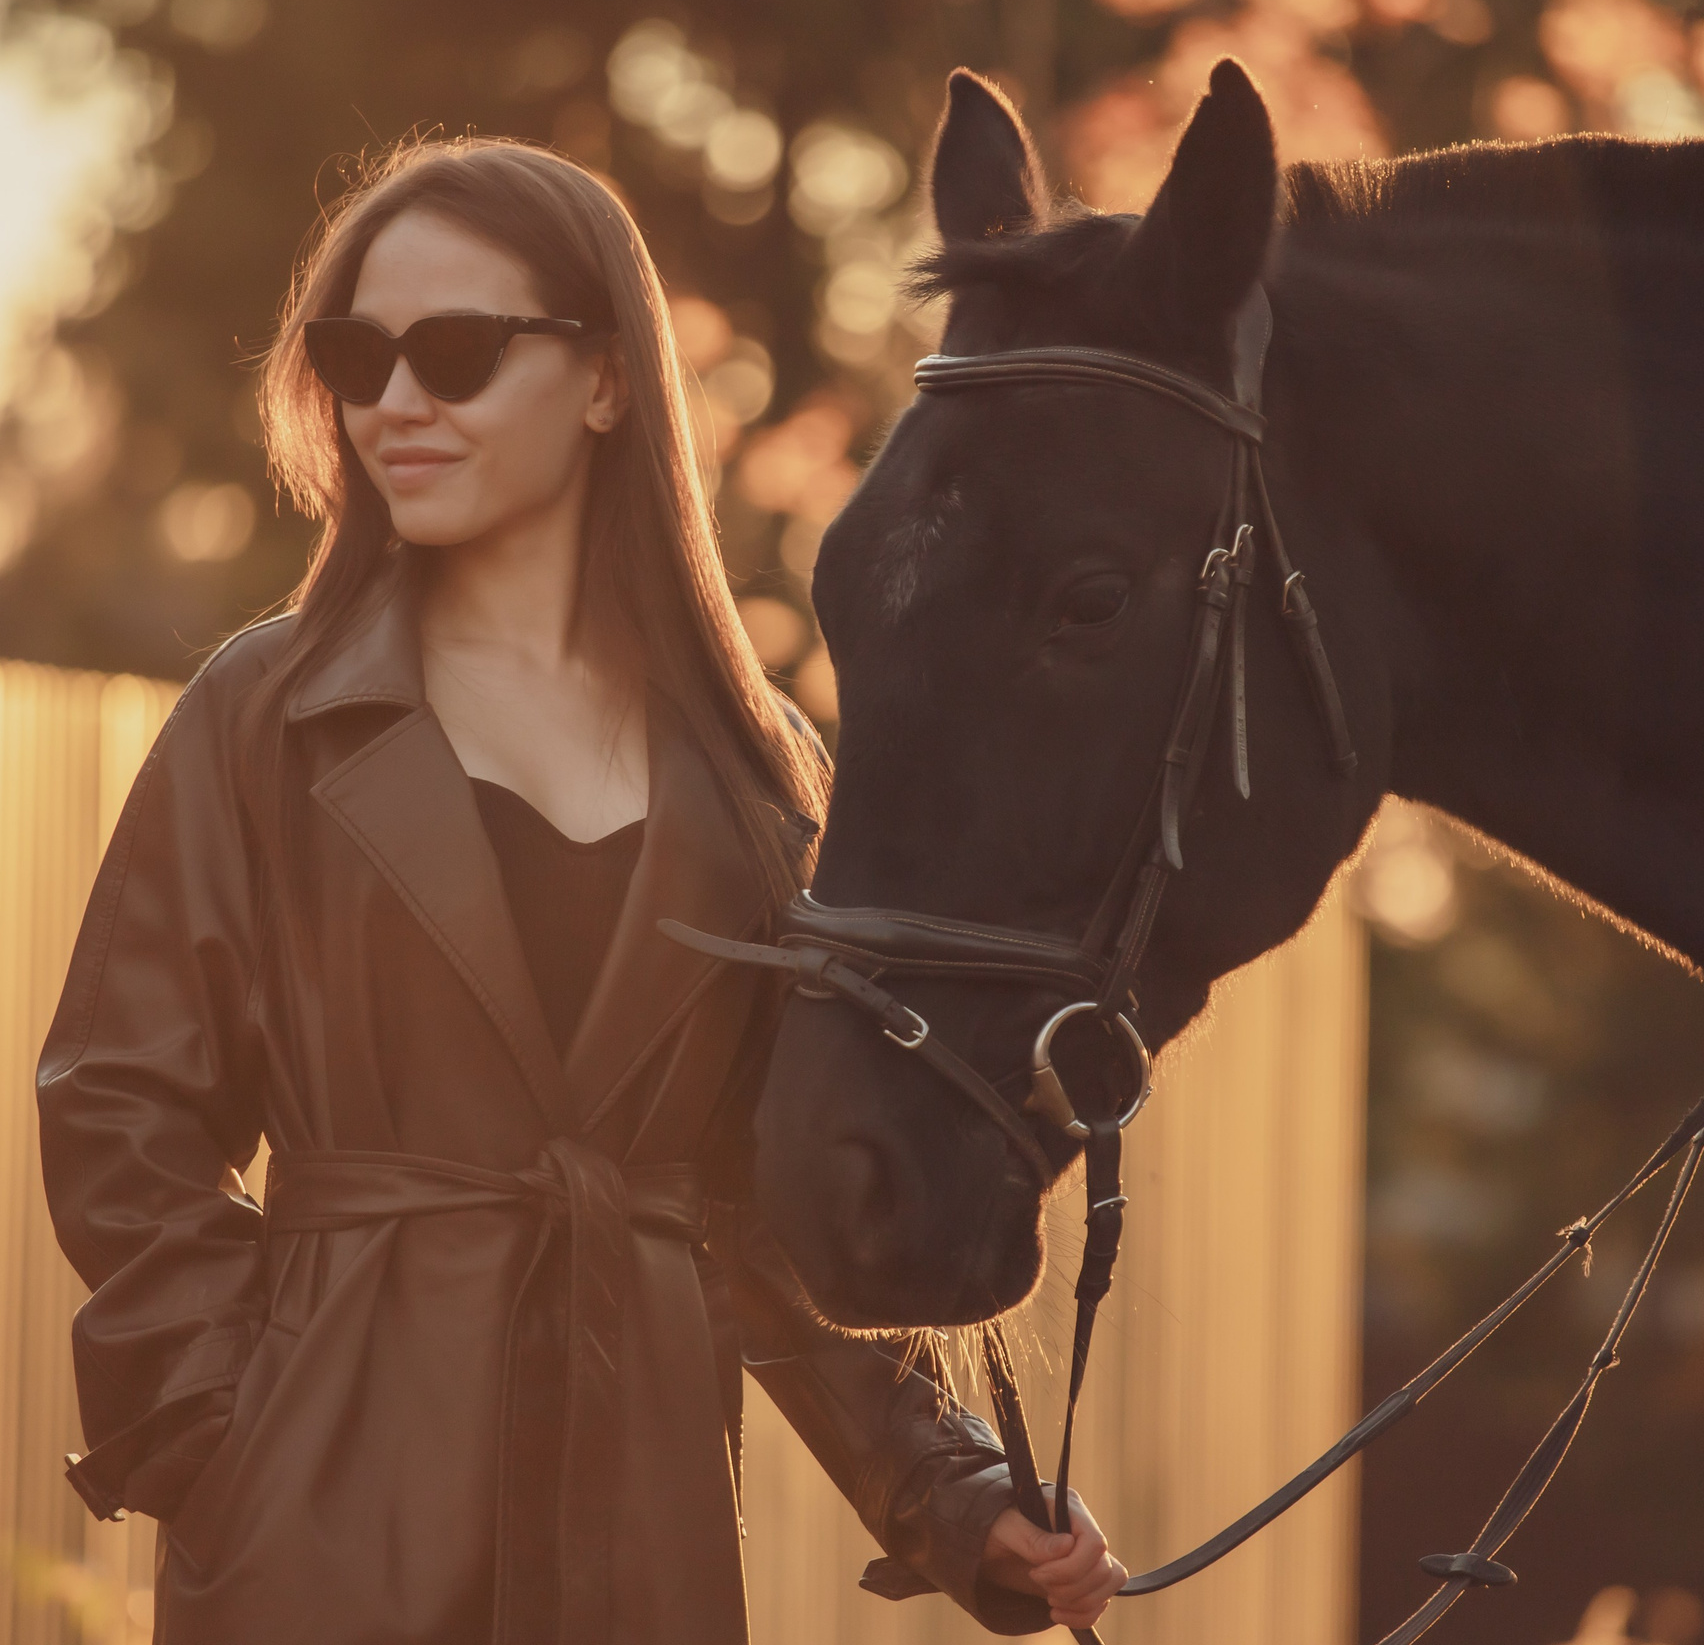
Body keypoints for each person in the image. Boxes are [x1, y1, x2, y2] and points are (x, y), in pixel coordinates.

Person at [35, 138, 1126, 1643]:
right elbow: (118, 1112)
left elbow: (767, 1217)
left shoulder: (758, 780)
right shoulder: (262, 717)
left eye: (459, 351)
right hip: (318, 1538)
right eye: (356, 356)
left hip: (640, 1542)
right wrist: (234, 1444)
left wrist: (958, 1492)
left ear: (608, 380)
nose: (394, 403)